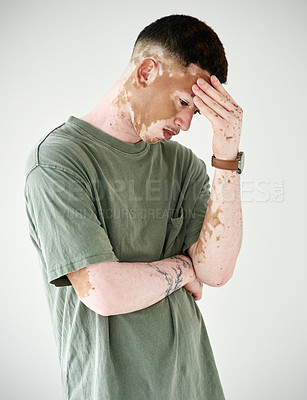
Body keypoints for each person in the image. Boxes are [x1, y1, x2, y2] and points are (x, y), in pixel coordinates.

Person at [24, 14, 244, 400]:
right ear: (146, 71)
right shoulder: (59, 161)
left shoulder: (183, 166)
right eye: (183, 103)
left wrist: (226, 156)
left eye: (197, 113)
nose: (187, 124)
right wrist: (181, 267)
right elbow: (104, 293)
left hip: (195, 384)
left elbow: (217, 271)